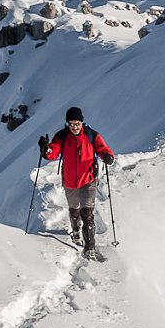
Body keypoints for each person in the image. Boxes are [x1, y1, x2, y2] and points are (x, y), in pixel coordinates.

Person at [39, 106, 114, 259]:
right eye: (71, 124)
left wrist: (108, 156)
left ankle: (90, 248)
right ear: (67, 124)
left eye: (77, 123)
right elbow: (52, 152)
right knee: (74, 209)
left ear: (82, 122)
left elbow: (104, 149)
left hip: (88, 179)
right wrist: (45, 149)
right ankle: (76, 232)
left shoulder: (91, 135)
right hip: (70, 181)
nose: (74, 127)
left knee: (87, 213)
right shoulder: (61, 136)